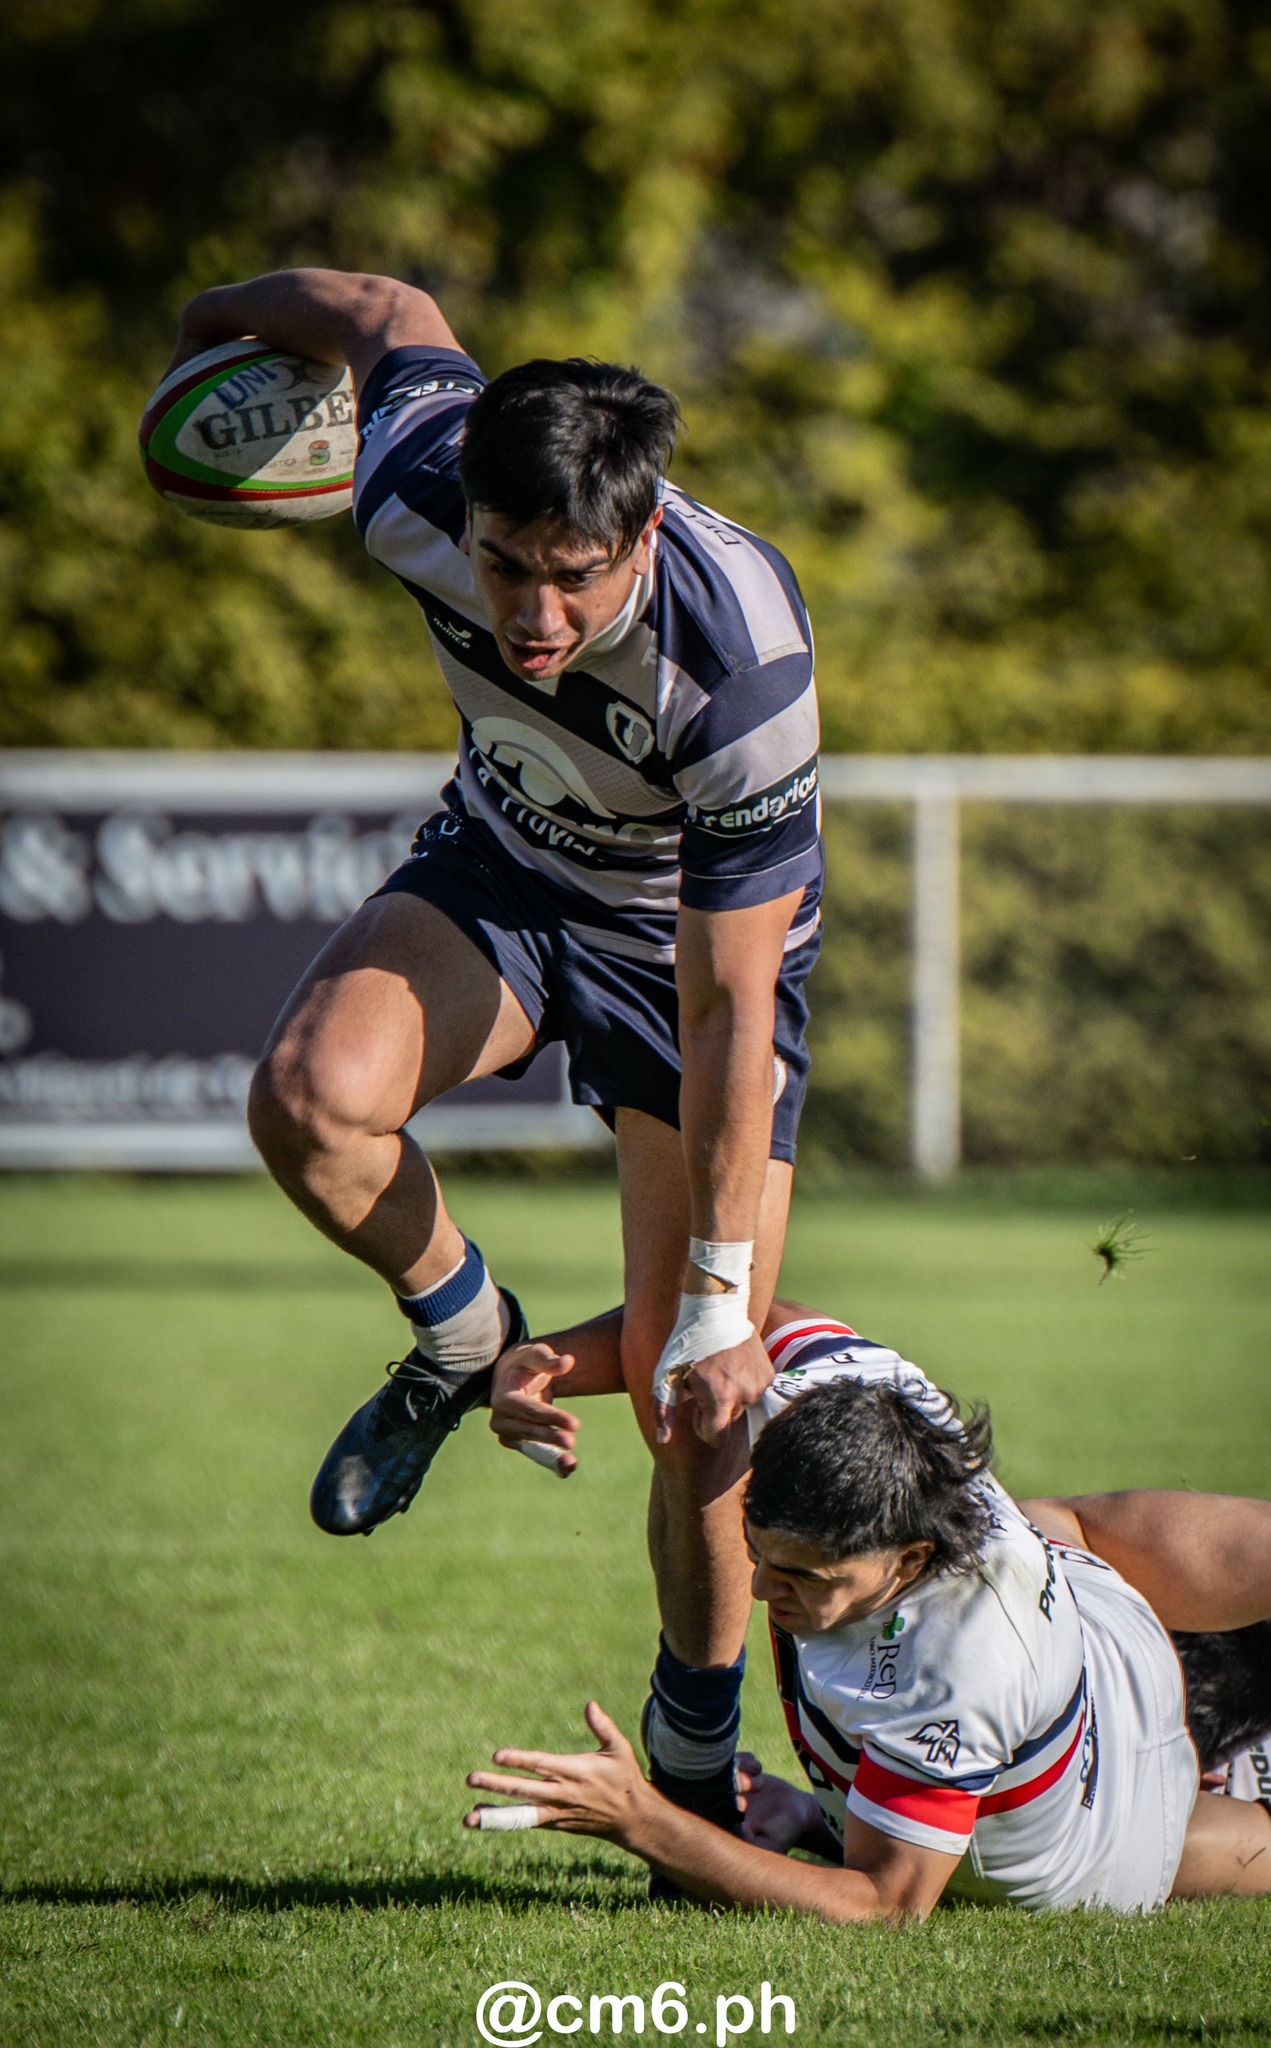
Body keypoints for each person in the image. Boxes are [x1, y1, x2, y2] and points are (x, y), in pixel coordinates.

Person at [165, 268, 824, 1829]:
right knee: (310, 1105)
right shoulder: (413, 475)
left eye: (573, 579)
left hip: (679, 950)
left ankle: (689, 1763)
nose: (531, 615)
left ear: (639, 540)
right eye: (504, 567)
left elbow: (727, 1006)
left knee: (693, 1398)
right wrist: (214, 315)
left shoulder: (739, 668)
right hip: (508, 866)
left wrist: (717, 1301)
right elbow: (384, 309)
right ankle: (462, 1337)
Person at [465, 1308, 1271, 1916]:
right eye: (757, 1551)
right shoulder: (847, 1392)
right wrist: (540, 1369)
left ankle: (1230, 1775)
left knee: (1188, 1844)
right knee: (1051, 1525)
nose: (758, 1589)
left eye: (803, 1574)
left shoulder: (958, 1669)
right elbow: (720, 1318)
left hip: (1110, 1832)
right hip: (1094, 1632)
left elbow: (884, 1902)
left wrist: (641, 1819)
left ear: (910, 1559)